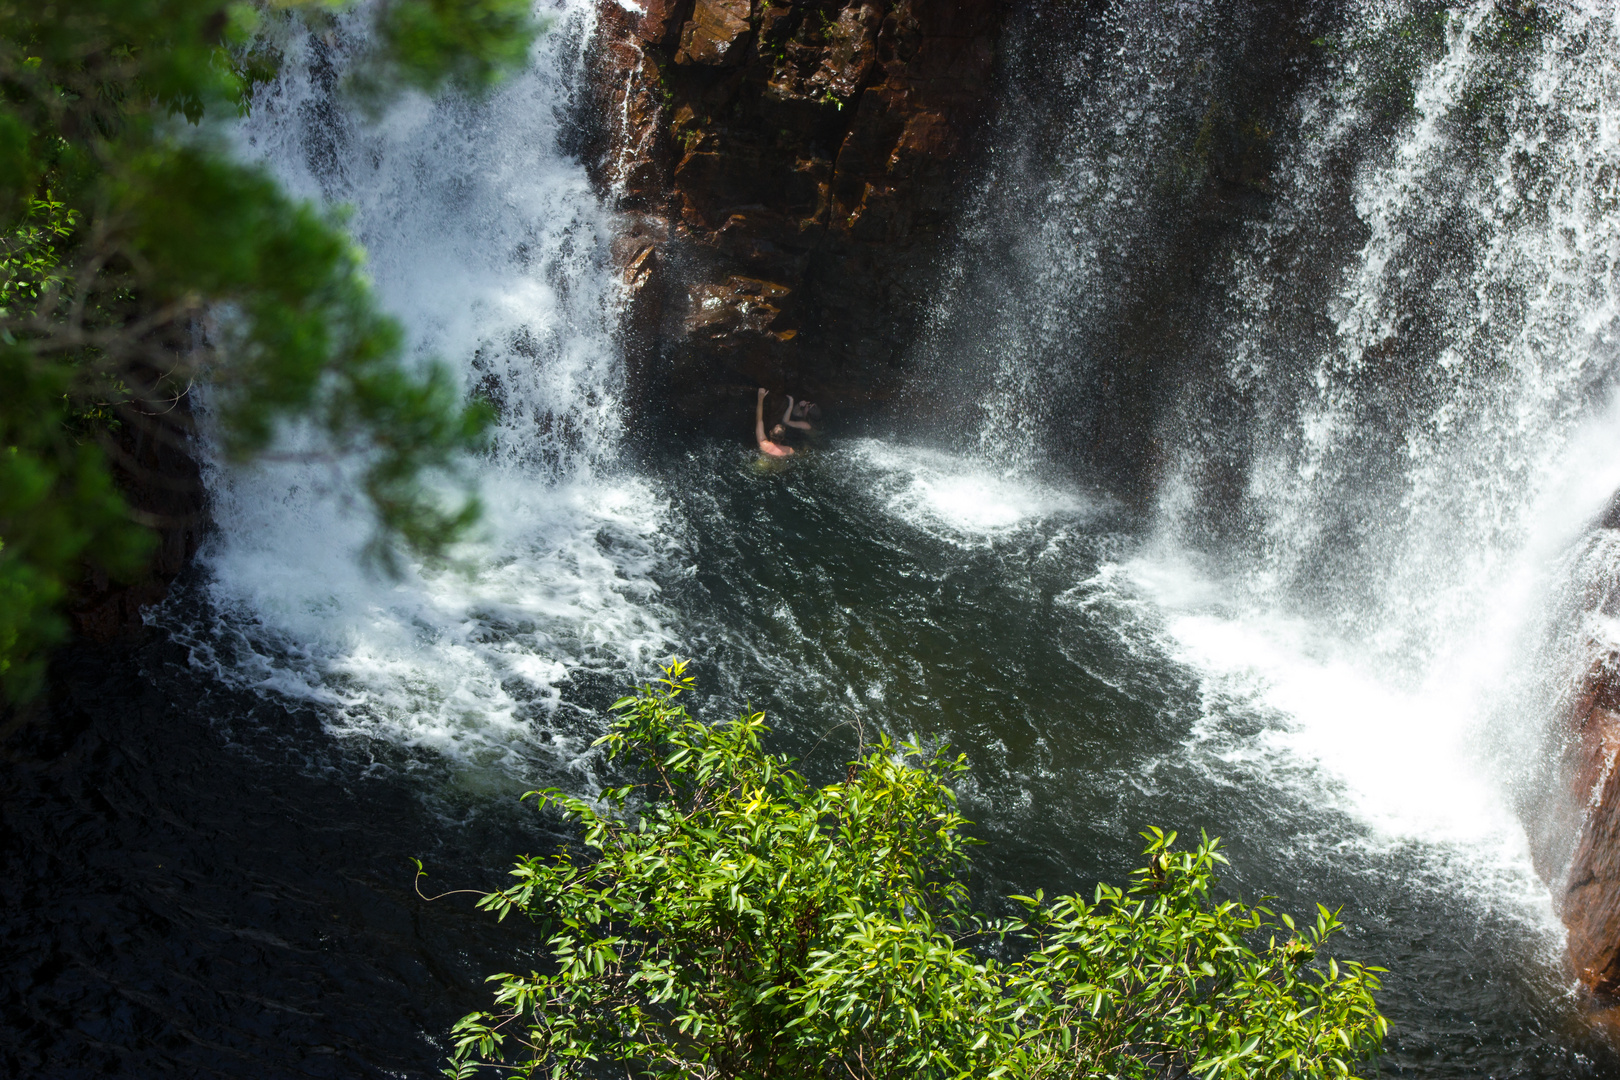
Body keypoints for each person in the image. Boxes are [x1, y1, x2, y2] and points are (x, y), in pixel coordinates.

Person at [755, 387, 795, 458]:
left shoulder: (763, 444)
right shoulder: (789, 451)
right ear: (783, 438)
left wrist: (760, 398)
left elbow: (759, 420)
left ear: (770, 432)